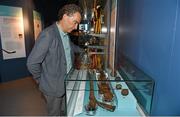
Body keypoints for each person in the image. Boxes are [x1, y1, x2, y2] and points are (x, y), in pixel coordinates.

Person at [27, 4, 83, 116]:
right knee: (54, 113)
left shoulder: (65, 34)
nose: (76, 27)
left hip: (65, 83)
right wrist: (41, 81)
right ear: (66, 16)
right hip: (52, 87)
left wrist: (83, 50)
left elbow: (70, 46)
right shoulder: (48, 35)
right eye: (75, 22)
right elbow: (32, 63)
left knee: (64, 110)